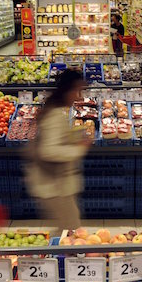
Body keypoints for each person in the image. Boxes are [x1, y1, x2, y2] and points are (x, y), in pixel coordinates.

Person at [24, 69, 91, 232]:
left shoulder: (55, 109)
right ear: (67, 90)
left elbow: (55, 139)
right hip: (53, 185)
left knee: (67, 226)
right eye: (77, 91)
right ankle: (63, 255)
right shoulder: (54, 115)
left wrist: (75, 137)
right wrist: (79, 148)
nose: (79, 96)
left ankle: (62, 252)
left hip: (54, 183)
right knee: (70, 228)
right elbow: (49, 150)